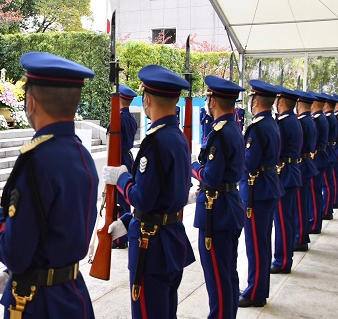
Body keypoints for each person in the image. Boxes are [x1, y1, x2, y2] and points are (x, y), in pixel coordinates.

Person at [0, 51, 98, 319]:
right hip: (73, 296)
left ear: (30, 102)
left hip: (36, 304)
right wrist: (10, 276)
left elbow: (16, 253)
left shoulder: (36, 161)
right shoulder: (82, 155)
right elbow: (55, 235)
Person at [102, 64, 195, 319]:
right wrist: (127, 219)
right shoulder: (177, 136)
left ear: (147, 99)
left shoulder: (155, 142)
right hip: (171, 238)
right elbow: (165, 196)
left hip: (151, 245)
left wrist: (122, 179)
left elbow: (143, 197)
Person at [190, 75, 245, 318]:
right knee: (227, 274)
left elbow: (210, 177)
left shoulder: (221, 132)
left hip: (217, 211)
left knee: (217, 278)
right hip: (227, 207)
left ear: (213, 101)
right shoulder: (232, 127)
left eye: (208, 97)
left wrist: (193, 166)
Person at [238, 79, 281, 308]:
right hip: (268, 186)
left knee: (255, 244)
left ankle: (254, 292)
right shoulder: (272, 123)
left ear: (255, 101)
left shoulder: (257, 127)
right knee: (263, 242)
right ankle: (259, 289)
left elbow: (250, 162)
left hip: (257, 190)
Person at [270, 86, 302, 274]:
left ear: (281, 102)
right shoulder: (293, 120)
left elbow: (277, 150)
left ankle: (282, 260)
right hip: (291, 171)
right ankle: (285, 256)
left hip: (285, 173)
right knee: (287, 219)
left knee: (282, 220)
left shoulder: (284, 122)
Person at [112, 85, 139, 249]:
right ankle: (124, 235)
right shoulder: (131, 118)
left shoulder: (118, 119)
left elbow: (114, 144)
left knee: (119, 200)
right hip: (127, 158)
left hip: (119, 159)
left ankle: (120, 239)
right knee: (124, 197)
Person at [293, 90, 318, 252]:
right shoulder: (309, 120)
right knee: (303, 202)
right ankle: (301, 235)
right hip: (306, 162)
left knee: (300, 205)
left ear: (299, 104)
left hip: (301, 163)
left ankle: (300, 237)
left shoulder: (303, 122)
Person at [308, 91, 329, 234]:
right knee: (318, 189)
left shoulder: (318, 119)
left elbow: (312, 142)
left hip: (318, 156)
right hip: (322, 155)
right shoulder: (322, 118)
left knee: (315, 191)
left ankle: (315, 223)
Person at [322, 93, 337, 220]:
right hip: (331, 149)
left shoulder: (329, 118)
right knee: (330, 182)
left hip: (329, 150)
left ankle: (327, 209)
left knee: (327, 184)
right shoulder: (330, 117)